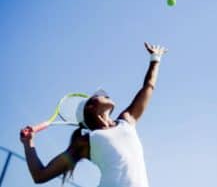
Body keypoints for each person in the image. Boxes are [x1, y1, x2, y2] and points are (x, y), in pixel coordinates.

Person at [20, 42, 168, 187]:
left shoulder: (126, 120)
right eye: (100, 94)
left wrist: (155, 59)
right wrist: (28, 143)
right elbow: (40, 175)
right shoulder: (85, 142)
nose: (106, 94)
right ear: (90, 107)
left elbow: (148, 87)